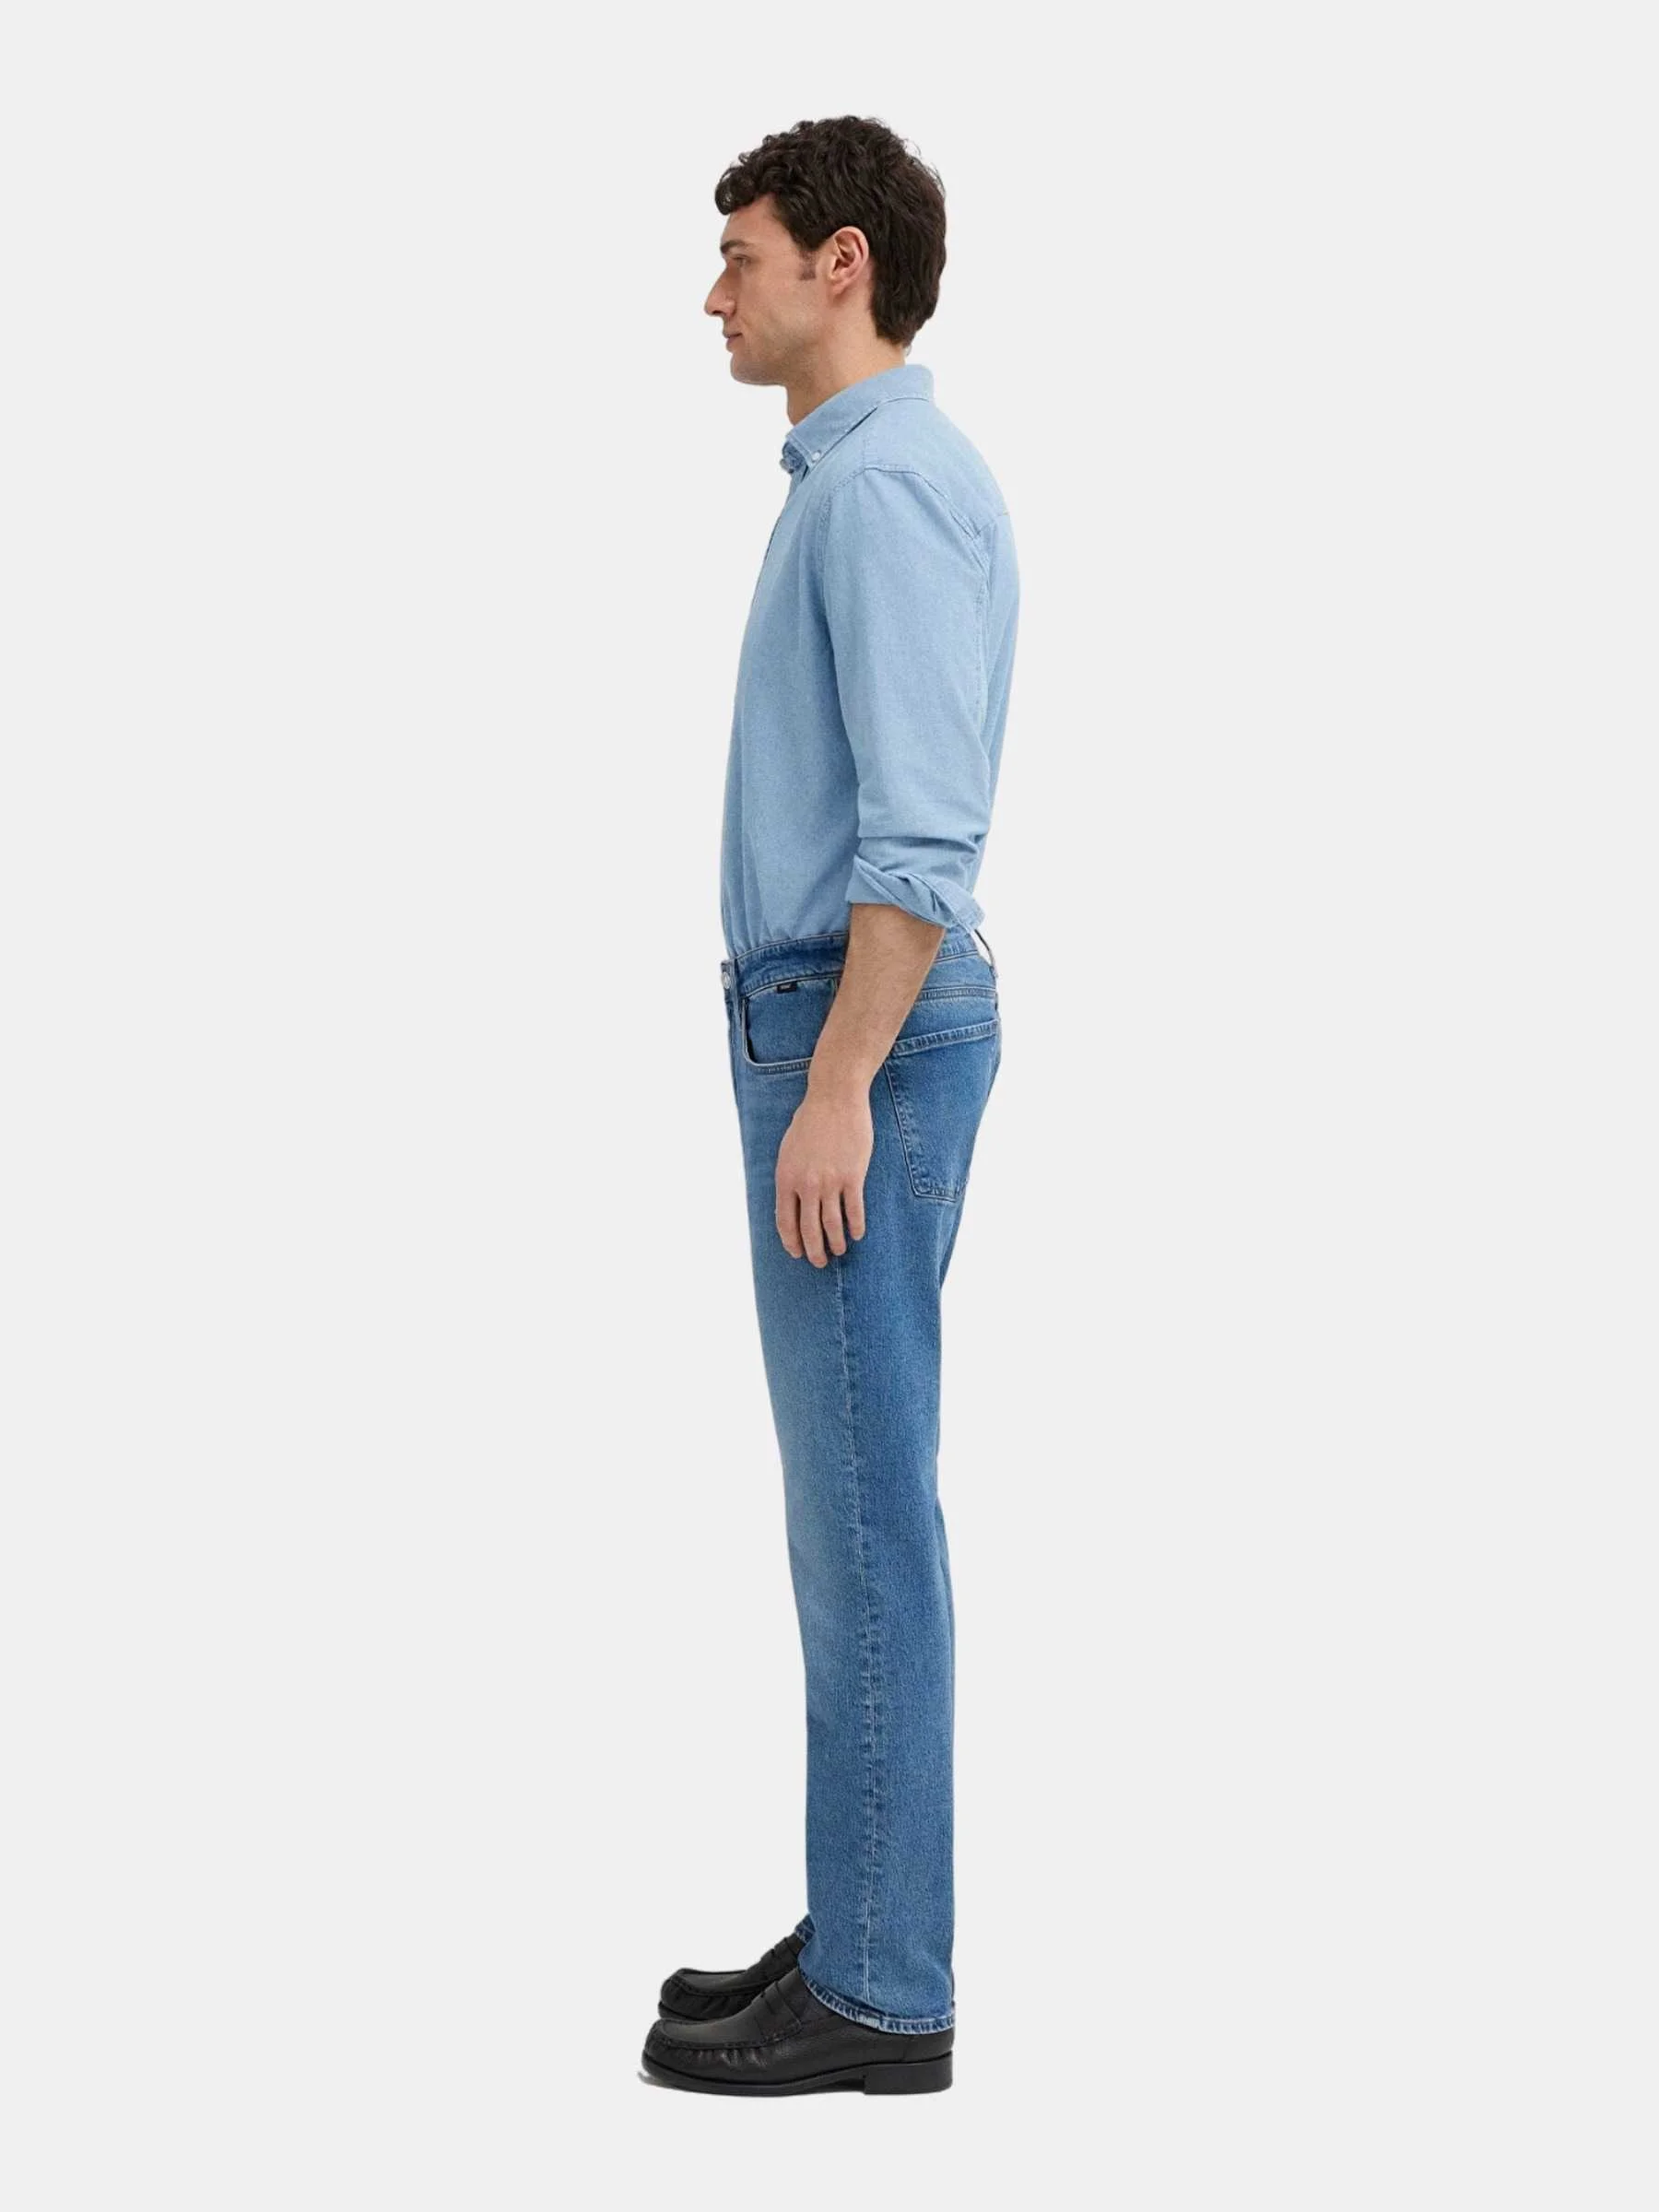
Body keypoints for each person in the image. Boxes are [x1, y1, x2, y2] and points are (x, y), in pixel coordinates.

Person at [641, 115, 1018, 2099]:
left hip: (855, 1033)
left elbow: (922, 838)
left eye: (742, 253)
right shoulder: (859, 484)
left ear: (841, 263)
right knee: (846, 1511)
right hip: (828, 1026)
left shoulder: (887, 494)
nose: (714, 293)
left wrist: (842, 1081)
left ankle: (884, 1993)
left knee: (867, 1516)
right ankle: (866, 1916)